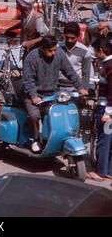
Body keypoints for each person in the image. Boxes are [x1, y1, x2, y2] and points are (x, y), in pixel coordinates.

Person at [21, 35, 87, 152]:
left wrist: (80, 87)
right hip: (33, 94)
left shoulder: (59, 54)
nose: (53, 53)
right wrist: (34, 96)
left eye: (55, 50)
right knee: (34, 115)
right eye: (50, 51)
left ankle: (50, 140)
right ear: (42, 49)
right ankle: (36, 139)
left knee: (56, 116)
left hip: (51, 94)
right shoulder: (32, 57)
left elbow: (70, 71)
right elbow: (28, 80)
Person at [89, 35, 112, 181]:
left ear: (101, 50)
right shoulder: (108, 65)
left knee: (103, 141)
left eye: (95, 51)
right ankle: (109, 170)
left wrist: (108, 113)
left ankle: (100, 172)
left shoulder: (109, 66)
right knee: (110, 142)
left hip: (107, 109)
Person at [58, 21, 91, 91]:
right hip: (58, 86)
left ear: (78, 36)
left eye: (72, 38)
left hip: (75, 88)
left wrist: (84, 90)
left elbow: (86, 74)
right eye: (67, 37)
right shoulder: (57, 48)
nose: (69, 41)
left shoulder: (85, 51)